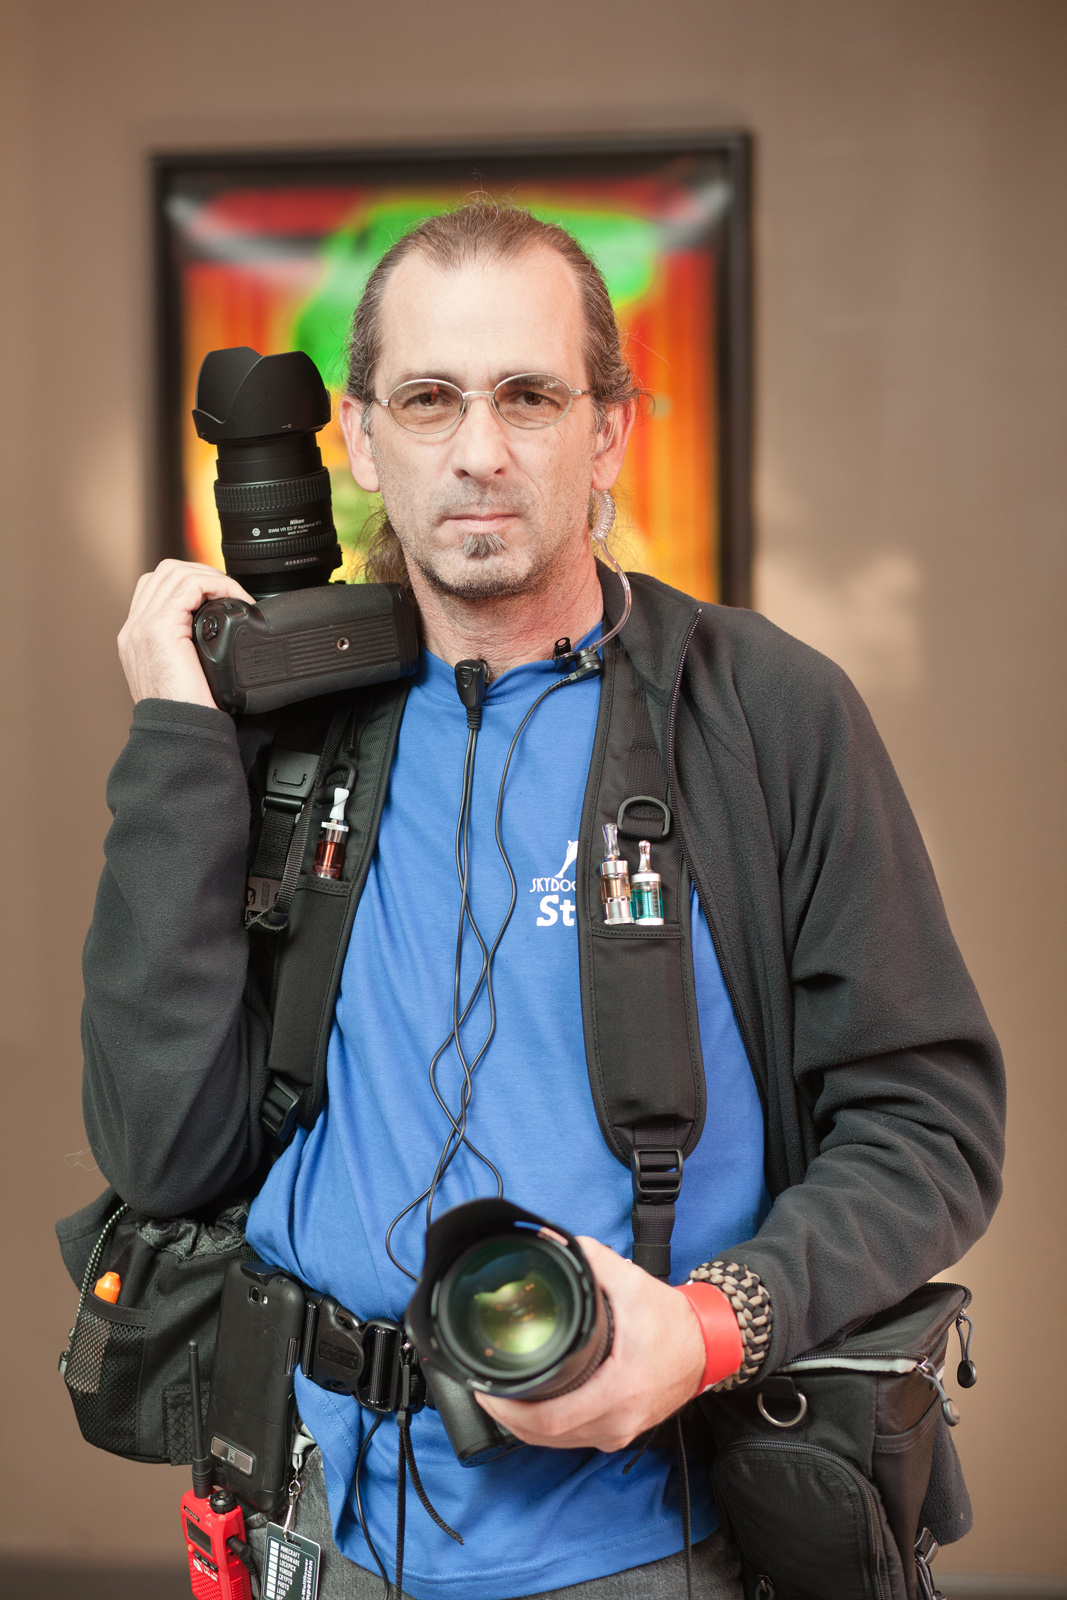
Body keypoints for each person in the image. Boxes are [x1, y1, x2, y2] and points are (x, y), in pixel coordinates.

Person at [83, 202, 1005, 1600]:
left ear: (609, 431)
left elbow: (929, 1124)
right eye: (430, 399)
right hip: (309, 1513)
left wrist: (710, 1328)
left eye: (529, 395)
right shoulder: (287, 726)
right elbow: (162, 1153)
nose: (479, 450)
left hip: (656, 1534)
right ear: (360, 437)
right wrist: (173, 744)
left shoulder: (763, 714)